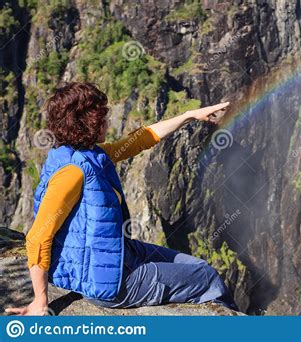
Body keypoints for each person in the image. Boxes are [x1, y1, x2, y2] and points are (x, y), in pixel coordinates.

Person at [5, 82, 238, 315]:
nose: (107, 121)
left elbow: (139, 140)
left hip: (117, 255)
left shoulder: (88, 155)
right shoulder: (72, 172)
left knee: (200, 267)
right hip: (111, 283)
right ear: (87, 122)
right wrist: (41, 300)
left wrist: (190, 116)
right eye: (102, 116)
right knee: (208, 279)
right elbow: (37, 237)